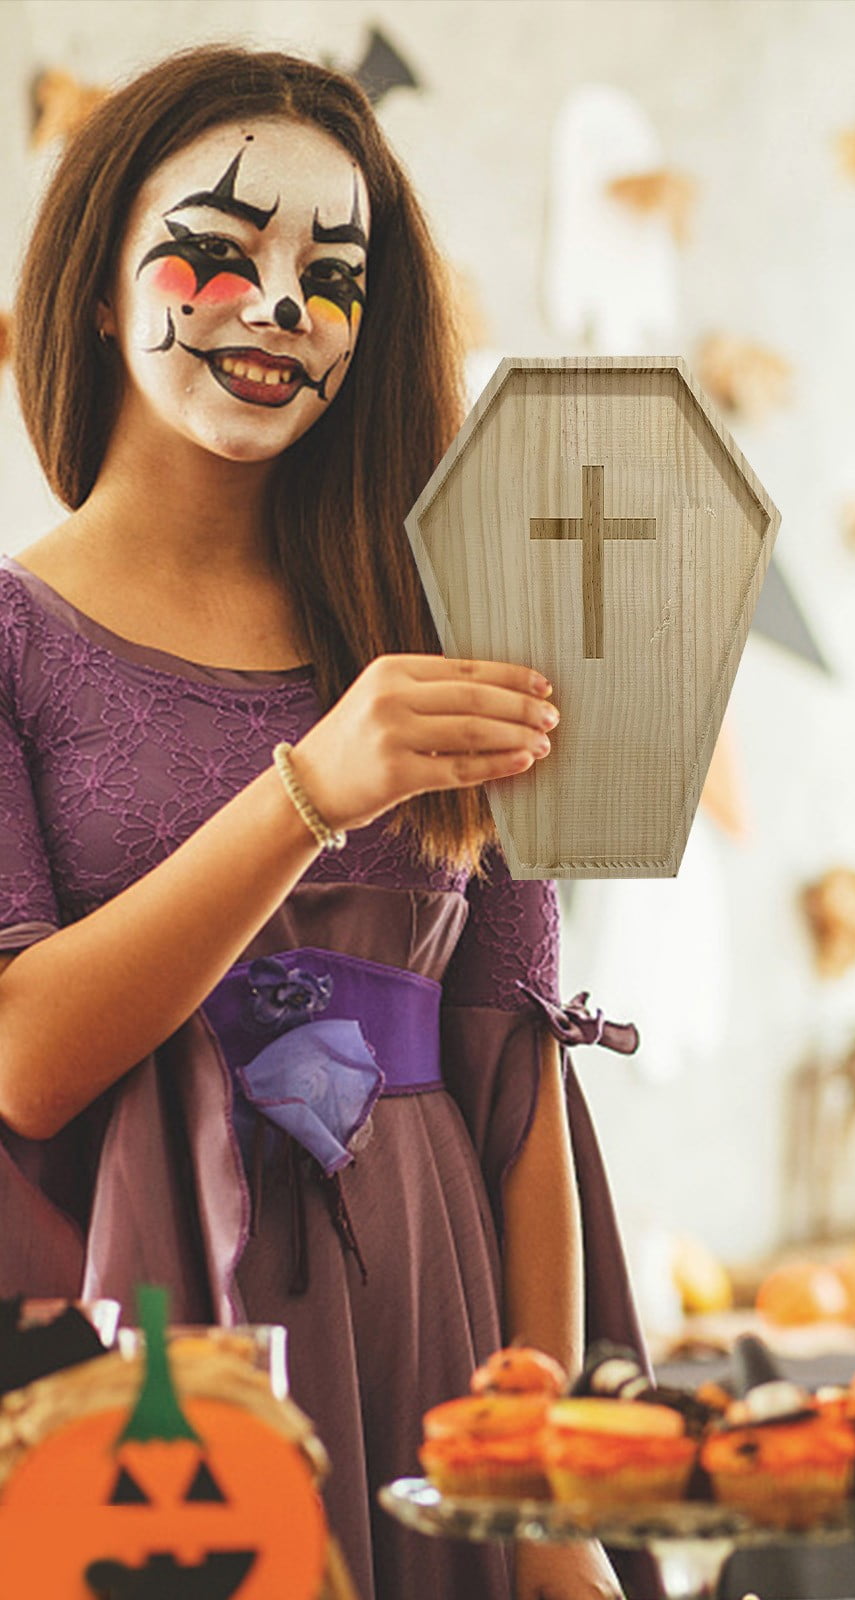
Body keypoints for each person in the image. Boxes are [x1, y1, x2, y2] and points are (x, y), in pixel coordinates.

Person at [1, 45, 640, 1600]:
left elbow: (516, 1058)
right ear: (99, 285)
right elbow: (24, 1060)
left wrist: (541, 1489)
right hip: (141, 1345)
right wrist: (307, 794)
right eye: (218, 252)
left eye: (329, 274)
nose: (278, 304)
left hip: (430, 1310)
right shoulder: (15, 639)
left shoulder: (441, 623)